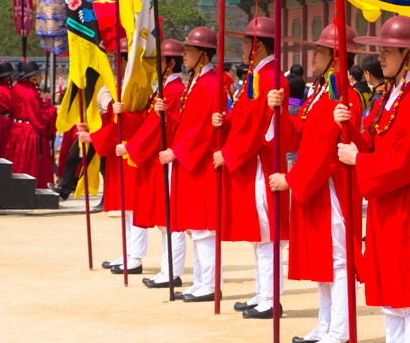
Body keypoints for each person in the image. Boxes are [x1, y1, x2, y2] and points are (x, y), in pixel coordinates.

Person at [338, 15, 410, 343]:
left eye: (387, 50)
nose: (380, 56)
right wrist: (350, 132)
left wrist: (358, 161)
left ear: (409, 54)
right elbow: (376, 145)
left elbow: (406, 161)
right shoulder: (390, 93)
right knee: (390, 293)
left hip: (409, 202)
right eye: (379, 49)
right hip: (386, 201)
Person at [268, 22, 363, 343]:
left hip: (332, 185)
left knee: (338, 260)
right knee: (327, 259)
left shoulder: (343, 97)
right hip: (318, 183)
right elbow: (304, 136)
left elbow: (324, 145)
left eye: (321, 52)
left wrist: (292, 179)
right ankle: (327, 323)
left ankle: (340, 330)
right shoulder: (321, 92)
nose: (314, 58)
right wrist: (279, 110)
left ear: (336, 57)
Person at [212, 17, 290, 317]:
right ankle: (262, 294)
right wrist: (227, 121)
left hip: (260, 161)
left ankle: (270, 299)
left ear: (256, 46)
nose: (242, 47)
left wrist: (228, 153)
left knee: (267, 232)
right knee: (260, 235)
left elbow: (257, 126)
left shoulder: (269, 77)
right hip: (253, 160)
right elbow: (245, 118)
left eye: (246, 42)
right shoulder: (259, 75)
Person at [159, 27, 220, 302]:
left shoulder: (210, 85)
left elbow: (201, 129)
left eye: (190, 50)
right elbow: (188, 121)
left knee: (204, 227)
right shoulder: (196, 82)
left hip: (200, 162)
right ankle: (200, 281)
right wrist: (167, 113)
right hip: (189, 161)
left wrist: (177, 151)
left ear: (203, 55)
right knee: (196, 226)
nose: (184, 54)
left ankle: (208, 283)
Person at [124, 39, 187, 289]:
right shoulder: (164, 89)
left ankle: (171, 271)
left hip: (166, 156)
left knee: (171, 221)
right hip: (159, 156)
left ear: (170, 64)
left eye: (160, 61)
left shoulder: (174, 90)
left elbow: (158, 126)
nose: (155, 65)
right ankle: (167, 269)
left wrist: (131, 148)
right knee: (165, 221)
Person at [82, 39, 148, 275]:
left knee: (135, 207)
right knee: (126, 208)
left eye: (119, 58)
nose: (116, 62)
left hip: (132, 150)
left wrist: (95, 137)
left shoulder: (141, 87)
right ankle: (128, 252)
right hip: (117, 150)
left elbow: (139, 123)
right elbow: (113, 123)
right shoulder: (117, 87)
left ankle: (136, 257)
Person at [6, 60, 56, 190]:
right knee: (30, 163)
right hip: (30, 131)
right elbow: (39, 117)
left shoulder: (17, 88)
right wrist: (49, 106)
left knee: (17, 161)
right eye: (39, 75)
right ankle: (32, 188)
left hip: (17, 129)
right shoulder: (31, 93)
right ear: (33, 77)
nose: (41, 77)